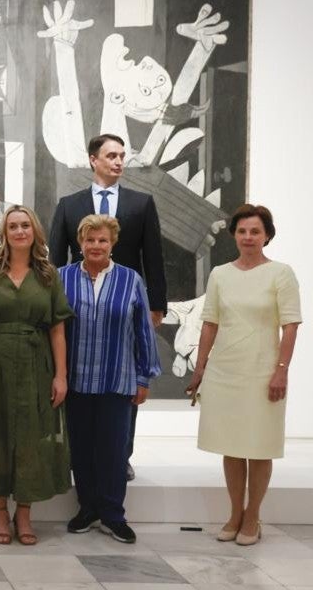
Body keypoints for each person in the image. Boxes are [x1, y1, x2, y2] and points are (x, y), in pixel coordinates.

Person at [49, 133, 166, 481]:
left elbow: (154, 256)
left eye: (121, 156)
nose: (118, 162)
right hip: (78, 307)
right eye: (111, 155)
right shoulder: (69, 204)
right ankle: (77, 454)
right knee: (78, 381)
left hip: (124, 306)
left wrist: (156, 305)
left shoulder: (141, 203)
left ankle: (121, 455)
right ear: (93, 159)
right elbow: (55, 260)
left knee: (125, 381)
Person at [0, 205, 73, 546]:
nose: (20, 231)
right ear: (4, 234)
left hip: (36, 363)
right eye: (13, 226)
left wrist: (61, 376)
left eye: (25, 225)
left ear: (35, 231)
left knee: (31, 437)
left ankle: (24, 512)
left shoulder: (48, 274)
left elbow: (57, 329)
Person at [186, 205, 300, 546]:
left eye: (255, 231)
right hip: (225, 371)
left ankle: (253, 516)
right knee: (232, 445)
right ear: (234, 235)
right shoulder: (220, 274)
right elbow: (210, 323)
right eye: (242, 231)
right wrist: (200, 368)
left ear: (267, 236)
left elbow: (290, 326)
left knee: (260, 445)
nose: (248, 237)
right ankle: (235, 513)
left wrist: (281, 371)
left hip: (263, 372)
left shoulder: (281, 273)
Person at [58, 215, 161, 544]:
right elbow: (54, 329)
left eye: (102, 240)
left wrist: (143, 376)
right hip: (76, 380)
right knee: (81, 448)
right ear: (80, 243)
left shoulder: (131, 280)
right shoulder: (62, 278)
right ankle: (88, 508)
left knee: (114, 450)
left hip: (118, 379)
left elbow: (143, 330)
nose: (96, 245)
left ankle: (114, 515)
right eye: (89, 240)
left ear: (112, 243)